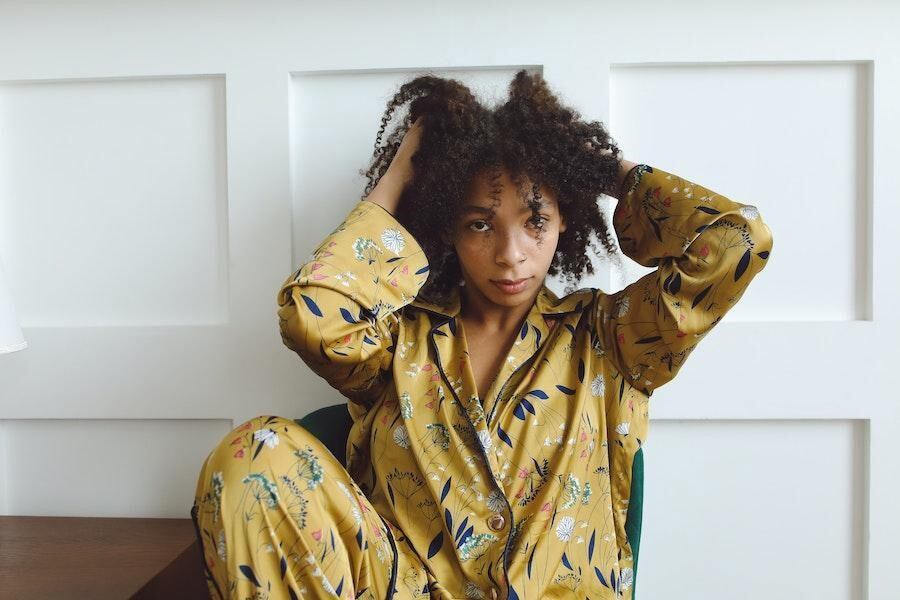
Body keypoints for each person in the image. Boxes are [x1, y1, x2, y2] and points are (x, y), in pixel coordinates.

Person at [191, 70, 774, 600]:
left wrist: (608, 171)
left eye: (535, 220)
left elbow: (736, 242)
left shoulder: (612, 340)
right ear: (447, 224)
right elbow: (312, 319)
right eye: (480, 224)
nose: (510, 254)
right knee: (253, 453)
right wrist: (405, 169)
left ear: (567, 216)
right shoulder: (398, 344)